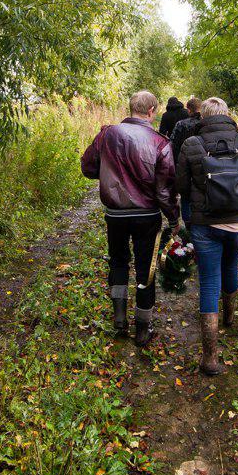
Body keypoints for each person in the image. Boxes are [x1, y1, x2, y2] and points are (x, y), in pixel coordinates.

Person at [175, 97, 238, 375]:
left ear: (202, 117)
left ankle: (210, 358)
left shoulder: (192, 144)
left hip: (205, 225)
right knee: (230, 265)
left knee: (208, 280)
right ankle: (229, 316)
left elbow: (180, 185)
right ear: (227, 115)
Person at [81, 90, 180, 345]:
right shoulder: (160, 143)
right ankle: (143, 328)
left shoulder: (107, 134)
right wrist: (173, 218)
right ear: (152, 111)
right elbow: (164, 189)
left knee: (118, 261)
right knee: (146, 269)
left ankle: (119, 317)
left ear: (131, 108)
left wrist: (110, 174)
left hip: (115, 214)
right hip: (147, 215)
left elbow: (89, 167)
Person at [169, 97, 203, 223]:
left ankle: (188, 224)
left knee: (186, 193)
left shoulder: (181, 124)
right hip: (204, 164)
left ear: (189, 110)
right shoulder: (206, 124)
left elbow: (172, 144)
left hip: (184, 163)